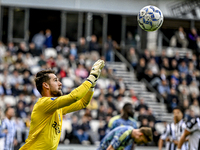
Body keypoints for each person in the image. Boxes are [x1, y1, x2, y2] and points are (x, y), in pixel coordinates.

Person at [19, 59, 105, 150]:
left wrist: (92, 85)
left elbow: (82, 103)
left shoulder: (56, 108)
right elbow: (74, 97)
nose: (60, 84)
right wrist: (91, 77)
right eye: (55, 80)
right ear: (46, 85)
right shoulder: (43, 103)